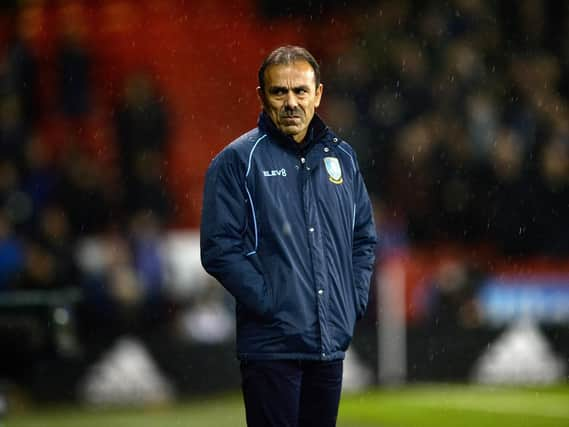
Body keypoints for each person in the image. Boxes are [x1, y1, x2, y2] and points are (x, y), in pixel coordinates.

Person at [200, 45, 377, 427]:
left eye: (300, 91)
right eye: (279, 92)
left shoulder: (342, 158)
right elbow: (218, 248)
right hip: (271, 348)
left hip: (329, 343)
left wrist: (353, 299)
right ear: (262, 97)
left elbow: (363, 237)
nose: (291, 102)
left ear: (318, 95)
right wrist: (272, 304)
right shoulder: (236, 161)